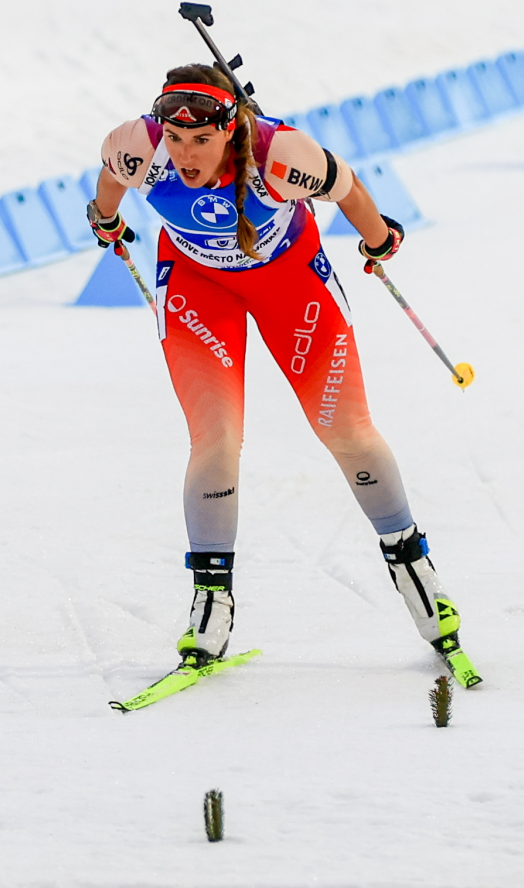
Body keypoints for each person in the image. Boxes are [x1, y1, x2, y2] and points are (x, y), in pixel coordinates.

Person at [87, 63, 480, 688]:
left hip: (290, 285)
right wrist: (105, 218)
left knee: (347, 432)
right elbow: (111, 178)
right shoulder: (138, 145)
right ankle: (211, 606)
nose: (185, 156)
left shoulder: (279, 155)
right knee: (214, 439)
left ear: (230, 130)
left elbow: (346, 184)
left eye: (201, 141)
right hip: (197, 287)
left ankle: (417, 576)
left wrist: (378, 240)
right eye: (176, 139)